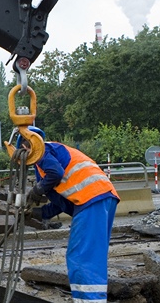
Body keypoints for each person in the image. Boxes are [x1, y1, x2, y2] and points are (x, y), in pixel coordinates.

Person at [21, 126, 120, 303]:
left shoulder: (43, 151)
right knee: (93, 255)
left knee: (81, 257)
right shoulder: (49, 156)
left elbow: (56, 173)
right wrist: (41, 213)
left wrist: (38, 189)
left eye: (26, 144)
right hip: (102, 198)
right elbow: (62, 201)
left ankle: (89, 300)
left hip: (91, 199)